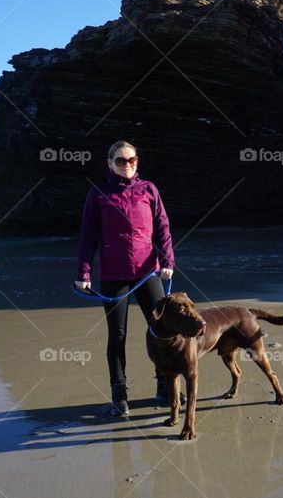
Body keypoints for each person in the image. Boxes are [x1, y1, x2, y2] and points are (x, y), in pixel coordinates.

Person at [74, 140, 178, 417]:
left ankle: (163, 387)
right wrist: (83, 273)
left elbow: (163, 228)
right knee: (117, 335)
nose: (128, 165)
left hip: (148, 272)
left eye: (132, 159)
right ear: (110, 163)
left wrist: (168, 261)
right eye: (121, 160)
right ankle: (119, 396)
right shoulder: (98, 194)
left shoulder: (149, 190)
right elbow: (87, 237)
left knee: (161, 330)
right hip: (113, 274)